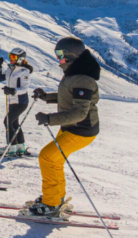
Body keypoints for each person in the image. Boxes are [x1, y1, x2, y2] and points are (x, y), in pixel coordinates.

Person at [27, 36, 101, 219]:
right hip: (71, 127)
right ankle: (55, 197)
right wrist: (46, 97)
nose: (57, 57)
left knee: (47, 157)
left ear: (71, 55)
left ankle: (51, 204)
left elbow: (80, 112)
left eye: (59, 54)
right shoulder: (75, 73)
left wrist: (49, 119)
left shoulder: (82, 79)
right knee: (54, 160)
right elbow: (67, 96)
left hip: (80, 130)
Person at [0, 47, 33, 157]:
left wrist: (12, 90)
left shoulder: (24, 71)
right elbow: (0, 78)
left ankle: (11, 147)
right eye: (10, 56)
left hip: (21, 102)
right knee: (14, 123)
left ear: (20, 59)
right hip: (12, 101)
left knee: (7, 121)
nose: (11, 58)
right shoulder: (11, 69)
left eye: (14, 57)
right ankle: (20, 146)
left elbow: (25, 88)